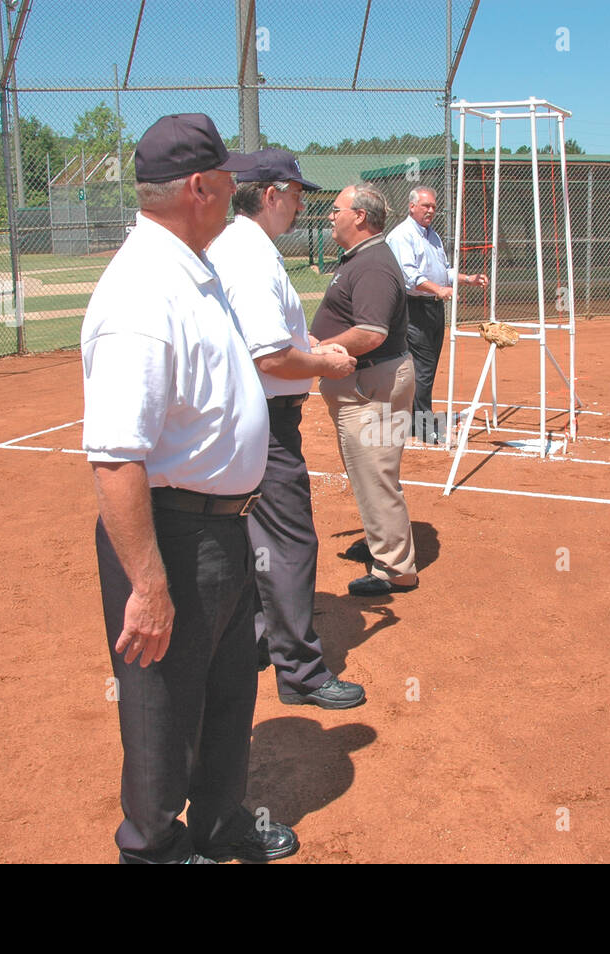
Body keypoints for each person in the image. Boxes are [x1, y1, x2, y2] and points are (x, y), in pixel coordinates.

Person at [81, 113, 298, 863]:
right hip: (171, 533)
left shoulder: (189, 266)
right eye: (228, 179)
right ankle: (152, 847)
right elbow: (115, 456)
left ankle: (217, 822)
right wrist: (147, 583)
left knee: (229, 691)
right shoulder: (142, 292)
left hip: (223, 529)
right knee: (162, 706)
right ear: (201, 187)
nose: (238, 190)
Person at [207, 149, 367, 710]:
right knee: (289, 539)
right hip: (264, 422)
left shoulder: (243, 248)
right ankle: (300, 671)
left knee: (254, 539)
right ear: (271, 194)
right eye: (297, 194)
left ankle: (260, 640)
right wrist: (325, 362)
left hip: (248, 417)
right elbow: (270, 359)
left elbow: (273, 348)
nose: (303, 204)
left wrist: (309, 351)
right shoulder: (248, 255)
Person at [311, 183, 419, 597]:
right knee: (371, 472)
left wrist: (318, 351)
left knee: (376, 473)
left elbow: (372, 332)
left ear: (359, 216)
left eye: (336, 209)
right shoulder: (364, 257)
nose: (329, 216)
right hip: (368, 383)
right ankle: (385, 545)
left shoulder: (372, 263)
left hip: (372, 383)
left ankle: (395, 569)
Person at [385, 186, 488, 444]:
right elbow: (410, 277)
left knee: (426, 367)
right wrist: (438, 289)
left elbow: (444, 271)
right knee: (423, 367)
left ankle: (411, 420)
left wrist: (467, 279)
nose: (430, 210)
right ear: (411, 207)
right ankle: (422, 426)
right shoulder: (402, 236)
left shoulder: (433, 236)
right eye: (425, 205)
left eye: (433, 206)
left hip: (433, 307)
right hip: (413, 308)